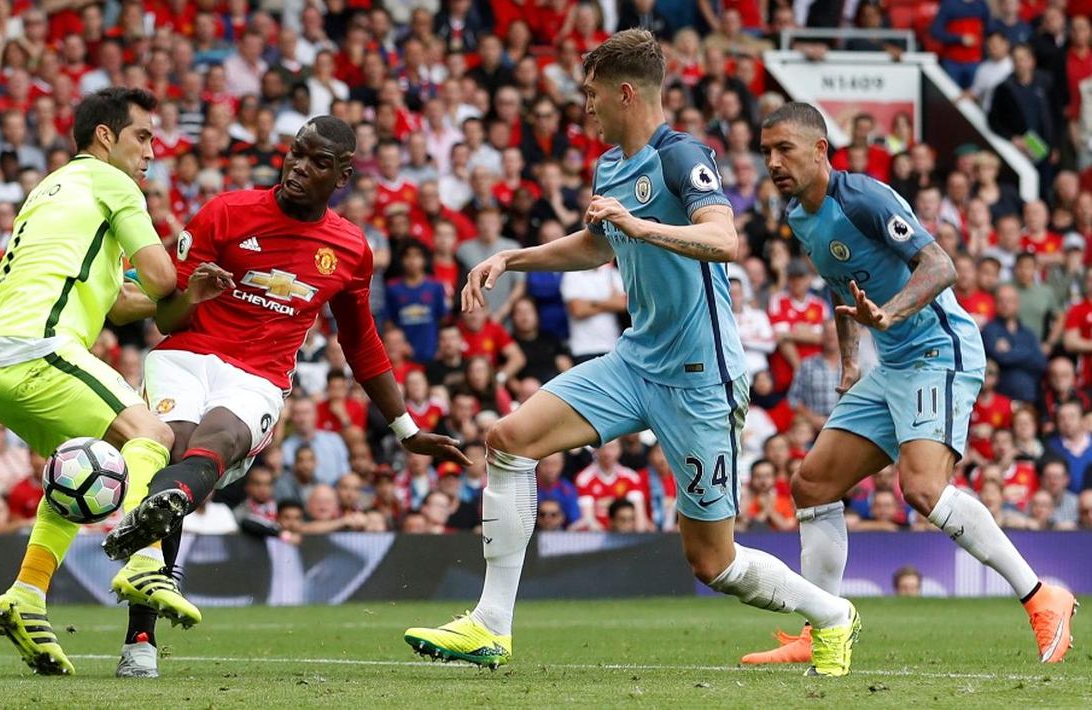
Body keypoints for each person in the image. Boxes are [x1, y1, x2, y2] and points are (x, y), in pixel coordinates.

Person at [404, 32, 860, 678]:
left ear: (624, 94)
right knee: (508, 439)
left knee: (713, 562)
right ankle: (490, 626)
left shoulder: (681, 157)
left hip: (700, 377)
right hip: (634, 361)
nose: (582, 108)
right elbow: (596, 248)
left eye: (589, 95)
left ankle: (832, 614)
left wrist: (640, 224)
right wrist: (513, 259)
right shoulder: (609, 166)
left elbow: (722, 237)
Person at [101, 117, 469, 674]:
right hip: (185, 354)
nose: (299, 167)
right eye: (296, 154)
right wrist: (193, 294)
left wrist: (408, 431)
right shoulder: (225, 212)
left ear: (342, 175)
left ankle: (146, 535)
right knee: (174, 448)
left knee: (215, 442)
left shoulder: (348, 248)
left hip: (259, 375)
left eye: (318, 162)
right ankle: (141, 640)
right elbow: (165, 313)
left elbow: (362, 343)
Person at [745, 102, 1074, 667]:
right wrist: (851, 361)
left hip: (938, 351)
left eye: (784, 150)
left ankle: (1044, 596)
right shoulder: (799, 214)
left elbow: (941, 265)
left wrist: (891, 315)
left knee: (921, 489)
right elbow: (839, 286)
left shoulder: (865, 198)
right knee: (813, 485)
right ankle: (823, 625)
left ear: (820, 149)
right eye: (766, 152)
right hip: (890, 362)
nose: (773, 162)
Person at [0, 88, 192, 677]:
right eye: (142, 136)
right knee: (152, 433)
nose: (151, 152)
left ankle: (26, 595)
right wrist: (186, 281)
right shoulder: (115, 184)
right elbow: (164, 278)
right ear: (105, 136)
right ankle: (143, 558)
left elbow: (119, 304)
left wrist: (180, 292)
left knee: (80, 471)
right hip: (38, 348)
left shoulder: (53, 188)